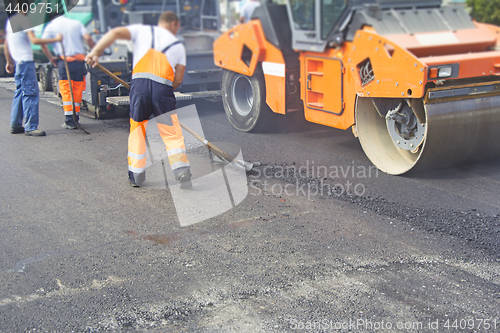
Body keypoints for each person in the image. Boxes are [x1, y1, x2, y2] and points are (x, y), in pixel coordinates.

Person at [86, 11, 192, 189]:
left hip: (139, 87)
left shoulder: (142, 31)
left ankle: (136, 175)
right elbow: (179, 79)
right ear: (174, 25)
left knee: (137, 131)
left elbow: (114, 33)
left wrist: (95, 52)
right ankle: (181, 170)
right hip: (163, 88)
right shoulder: (178, 46)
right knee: (171, 131)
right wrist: (163, 91)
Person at [3, 2, 59, 136]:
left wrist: (9, 61)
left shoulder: (11, 21)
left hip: (18, 62)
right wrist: (57, 38)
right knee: (31, 93)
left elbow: (6, 43)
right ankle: (31, 126)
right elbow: (34, 40)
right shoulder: (25, 21)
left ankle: (15, 124)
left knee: (20, 92)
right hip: (26, 62)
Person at [40, 13, 95, 130]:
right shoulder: (76, 24)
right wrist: (94, 54)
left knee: (66, 90)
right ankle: (76, 117)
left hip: (65, 62)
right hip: (79, 62)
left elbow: (43, 43)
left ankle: (70, 121)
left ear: (51, 18)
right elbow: (88, 38)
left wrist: (50, 58)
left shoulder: (52, 26)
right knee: (77, 89)